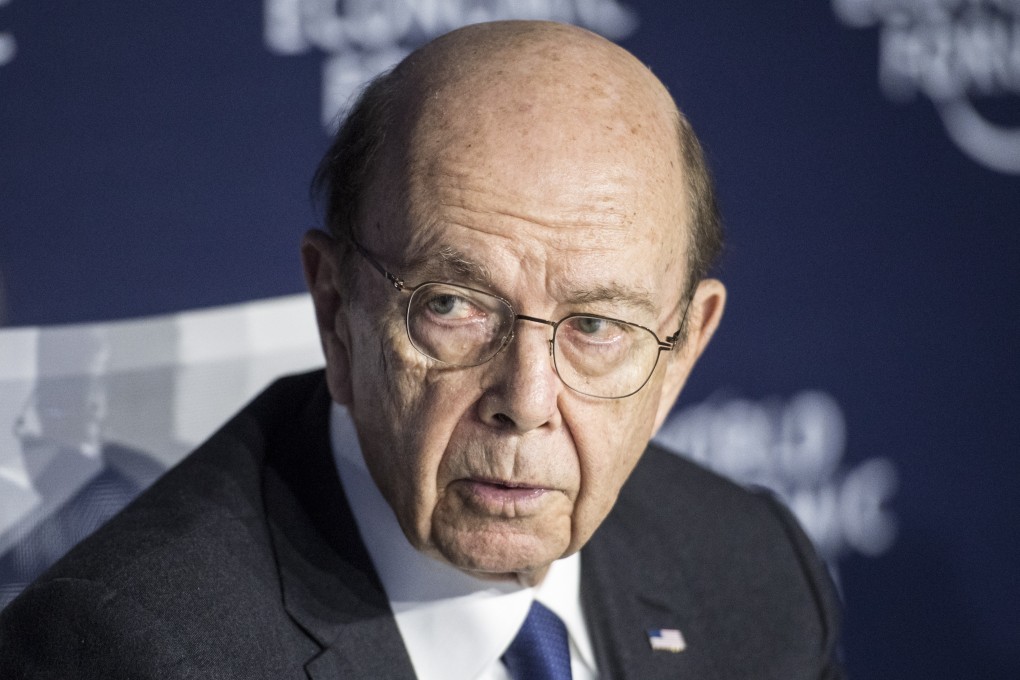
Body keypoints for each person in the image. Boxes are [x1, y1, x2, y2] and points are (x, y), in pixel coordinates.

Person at [0, 20, 843, 679]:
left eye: (596, 327)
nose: (526, 398)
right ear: (337, 311)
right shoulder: (133, 653)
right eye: (454, 306)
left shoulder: (754, 572)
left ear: (682, 352)